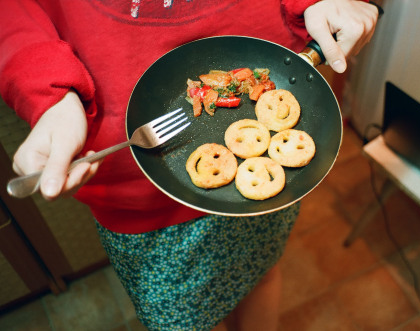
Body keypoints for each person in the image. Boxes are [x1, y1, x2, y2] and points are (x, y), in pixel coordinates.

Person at [0, 0, 378, 330]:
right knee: (180, 321)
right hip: (136, 191)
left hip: (272, 74)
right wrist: (49, 91)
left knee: (261, 273)